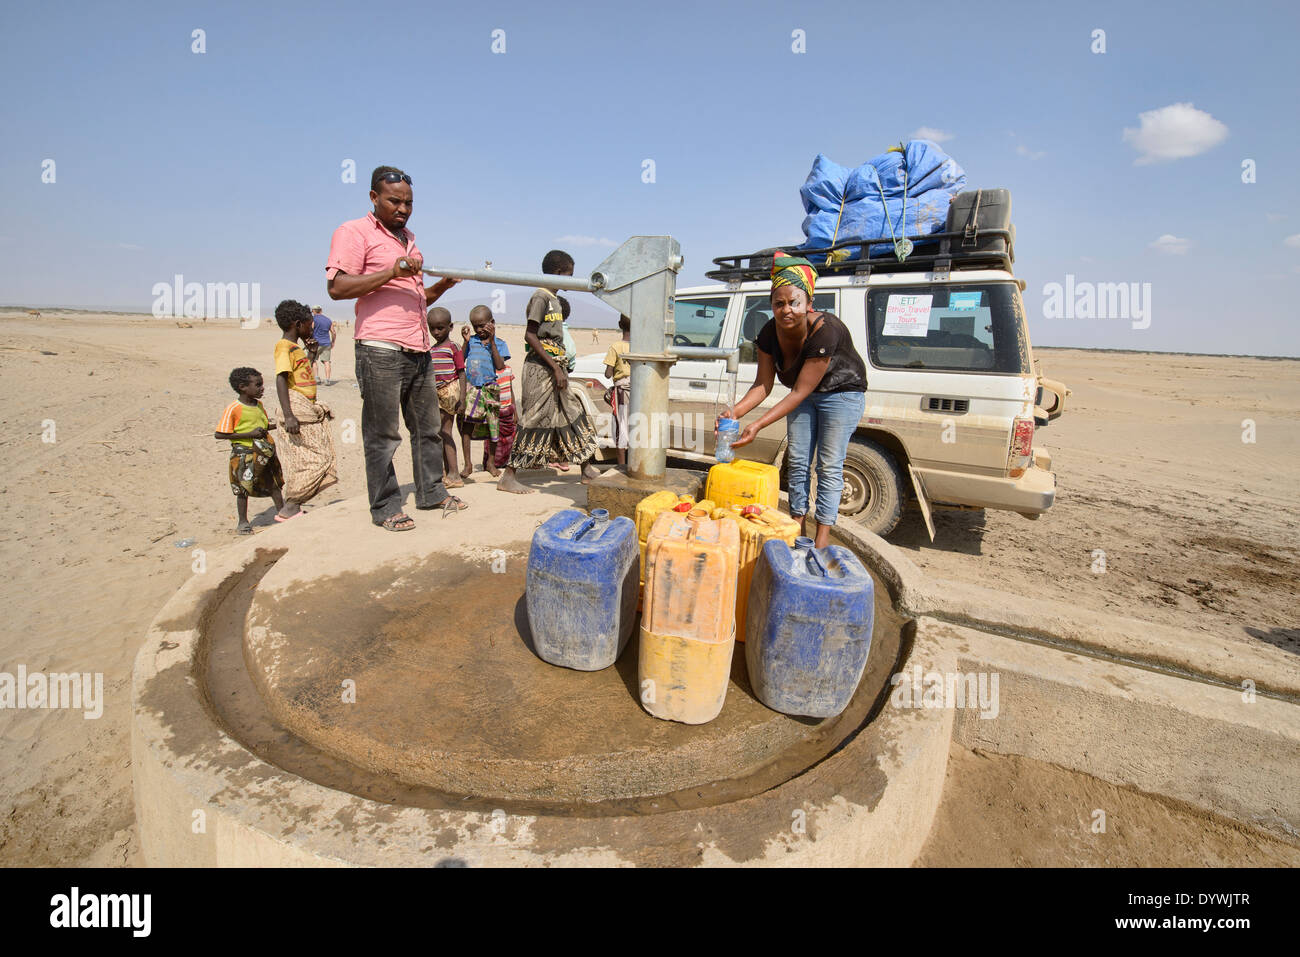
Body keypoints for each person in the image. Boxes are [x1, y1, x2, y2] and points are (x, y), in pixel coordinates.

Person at [326, 165, 467, 531]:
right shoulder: (353, 232)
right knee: (383, 433)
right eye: (395, 201)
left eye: (409, 203)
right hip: (380, 348)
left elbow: (415, 297)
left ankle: (431, 492)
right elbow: (337, 288)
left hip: (418, 349)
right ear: (374, 198)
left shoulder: (409, 239)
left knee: (428, 427)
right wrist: (391, 270)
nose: (403, 209)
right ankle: (386, 507)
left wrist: (443, 288)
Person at [725, 252, 867, 548]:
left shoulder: (826, 330)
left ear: (808, 303)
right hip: (803, 395)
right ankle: (796, 530)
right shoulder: (768, 333)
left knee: (828, 465)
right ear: (772, 305)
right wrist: (735, 412)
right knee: (798, 461)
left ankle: (821, 542)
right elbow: (762, 385)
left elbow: (799, 391)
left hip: (841, 393)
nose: (786, 309)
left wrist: (758, 425)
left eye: (794, 302)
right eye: (779, 303)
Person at [498, 250, 601, 493]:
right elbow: (530, 335)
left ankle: (586, 469)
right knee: (534, 417)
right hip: (541, 370)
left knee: (571, 413)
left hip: (556, 368)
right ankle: (508, 476)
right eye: (568, 276)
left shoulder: (555, 299)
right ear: (557, 273)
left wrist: (559, 368)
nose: (569, 282)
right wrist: (555, 368)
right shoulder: (540, 297)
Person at [272, 300, 338, 521]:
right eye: (309, 325)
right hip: (296, 409)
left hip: (305, 406)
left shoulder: (296, 349)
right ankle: (291, 506)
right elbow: (281, 379)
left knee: (313, 458)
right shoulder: (284, 347)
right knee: (319, 459)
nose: (312, 329)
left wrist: (310, 354)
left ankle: (293, 506)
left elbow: (301, 375)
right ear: (298, 324)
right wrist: (289, 414)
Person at [215, 367, 284, 534]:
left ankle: (283, 513)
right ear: (242, 387)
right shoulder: (234, 408)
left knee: (274, 484)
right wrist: (249, 434)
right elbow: (220, 434)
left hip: (264, 452)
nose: (262, 388)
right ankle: (243, 522)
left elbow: (264, 425)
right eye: (258, 385)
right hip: (244, 453)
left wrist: (280, 424)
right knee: (243, 488)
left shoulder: (258, 405)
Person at [458, 305, 510, 479]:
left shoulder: (500, 344)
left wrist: (493, 342)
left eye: (482, 325)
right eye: (475, 326)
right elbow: (461, 358)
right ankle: (468, 464)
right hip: (473, 389)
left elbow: (500, 365)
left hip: (490, 389)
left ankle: (491, 463)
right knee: (467, 426)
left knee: (493, 427)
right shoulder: (472, 341)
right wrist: (465, 341)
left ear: (492, 323)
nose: (479, 330)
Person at [427, 307, 466, 487]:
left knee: (445, 432)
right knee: (439, 433)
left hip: (450, 393)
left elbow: (461, 373)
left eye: (440, 328)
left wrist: (463, 399)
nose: (436, 332)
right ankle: (446, 472)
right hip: (435, 394)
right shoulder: (431, 349)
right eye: (432, 328)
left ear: (450, 327)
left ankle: (454, 474)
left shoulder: (453, 347)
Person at [604, 314, 632, 465]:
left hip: (621, 391)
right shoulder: (639, 346)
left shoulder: (616, 347)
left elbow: (608, 373)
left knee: (621, 428)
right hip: (638, 389)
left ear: (620, 324)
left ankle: (621, 467)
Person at [311, 306, 337, 385]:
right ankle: (327, 379)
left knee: (313, 360)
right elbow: (333, 332)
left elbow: (311, 330)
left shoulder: (313, 319)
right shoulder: (328, 320)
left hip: (316, 343)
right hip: (326, 343)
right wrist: (333, 342)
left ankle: (316, 378)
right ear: (321, 311)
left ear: (313, 311)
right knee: (327, 361)